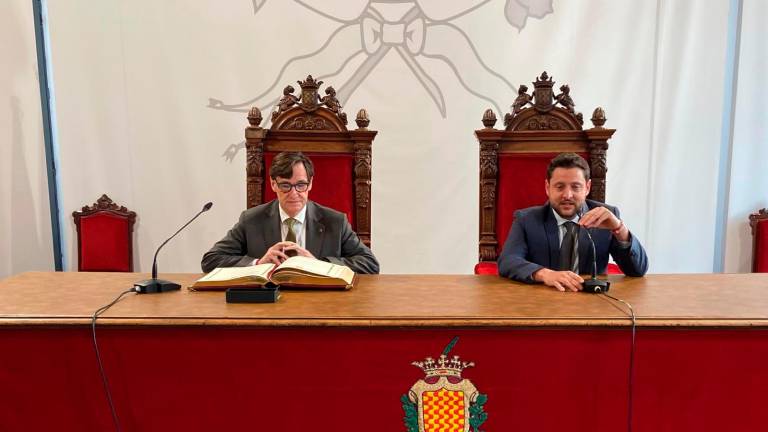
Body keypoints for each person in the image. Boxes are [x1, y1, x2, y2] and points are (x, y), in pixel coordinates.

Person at [201, 151, 379, 274]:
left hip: (323, 304)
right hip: (266, 306)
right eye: (285, 185)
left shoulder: (335, 221)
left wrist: (317, 264)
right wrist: (258, 263)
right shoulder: (251, 220)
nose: (294, 193)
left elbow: (370, 264)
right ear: (273, 185)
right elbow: (210, 260)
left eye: (301, 185)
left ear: (310, 184)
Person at [497, 153, 648, 291]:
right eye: (559, 187)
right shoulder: (526, 219)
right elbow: (508, 261)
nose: (567, 195)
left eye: (576, 187)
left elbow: (638, 271)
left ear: (587, 187)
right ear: (547, 188)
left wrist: (619, 228)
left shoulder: (606, 217)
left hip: (593, 305)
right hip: (541, 303)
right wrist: (545, 274)